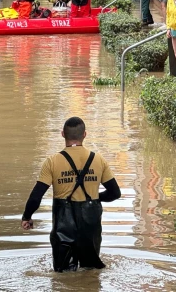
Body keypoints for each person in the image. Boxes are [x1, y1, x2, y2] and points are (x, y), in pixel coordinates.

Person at [21, 116, 121, 272]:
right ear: (85, 135)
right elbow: (115, 193)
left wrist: (27, 216)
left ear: (62, 134)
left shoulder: (52, 162)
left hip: (63, 226)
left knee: (63, 274)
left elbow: (36, 196)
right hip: (90, 225)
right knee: (91, 273)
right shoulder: (99, 160)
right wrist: (95, 197)